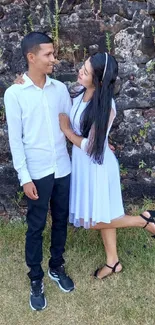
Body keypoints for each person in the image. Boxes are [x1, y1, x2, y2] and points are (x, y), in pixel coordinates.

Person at [59, 52, 155, 280]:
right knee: (104, 212)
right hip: (84, 164)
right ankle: (113, 263)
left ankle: (144, 221)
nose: (80, 72)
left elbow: (91, 146)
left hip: (97, 167)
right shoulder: (79, 91)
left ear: (99, 80)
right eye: (83, 67)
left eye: (86, 71)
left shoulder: (106, 104)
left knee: (91, 220)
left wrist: (67, 131)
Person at [4, 31, 74, 312]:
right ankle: (36, 278)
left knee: (60, 220)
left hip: (62, 168)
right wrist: (24, 177)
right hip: (37, 172)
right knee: (35, 227)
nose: (53, 59)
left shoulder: (60, 89)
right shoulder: (14, 93)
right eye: (47, 54)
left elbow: (71, 123)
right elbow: (15, 139)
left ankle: (56, 266)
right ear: (31, 57)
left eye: (52, 53)